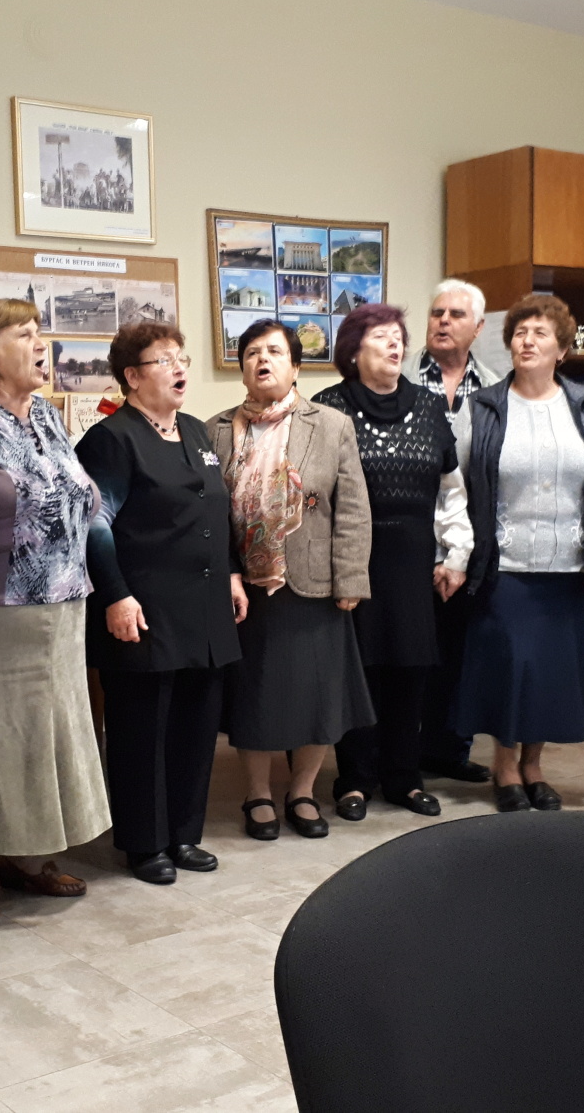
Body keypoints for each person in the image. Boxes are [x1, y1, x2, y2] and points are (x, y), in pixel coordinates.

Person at [0, 299, 111, 923]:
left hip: (63, 603)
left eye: (41, 333)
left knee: (45, 738)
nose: (42, 345)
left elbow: (83, 497)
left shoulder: (48, 416)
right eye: (25, 335)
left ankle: (26, 856)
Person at [75, 322, 244, 884]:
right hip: (143, 608)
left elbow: (216, 510)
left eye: (181, 358)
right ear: (132, 376)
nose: (179, 368)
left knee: (196, 725)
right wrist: (116, 595)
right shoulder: (111, 439)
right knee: (142, 730)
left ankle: (183, 834)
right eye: (163, 360)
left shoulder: (194, 431)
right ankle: (145, 844)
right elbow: (93, 525)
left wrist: (233, 574)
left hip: (204, 606)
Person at [452, 294, 584, 814]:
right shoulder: (483, 406)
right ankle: (505, 767)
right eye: (520, 333)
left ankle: (534, 766)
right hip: (503, 565)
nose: (527, 341)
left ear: (562, 350)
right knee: (512, 669)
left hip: (569, 566)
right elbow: (454, 484)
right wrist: (454, 553)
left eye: (540, 333)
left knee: (549, 674)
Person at [209, 319, 372, 840]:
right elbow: (209, 514)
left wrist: (351, 580)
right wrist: (226, 572)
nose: (263, 360)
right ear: (242, 370)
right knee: (255, 697)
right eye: (252, 353)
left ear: (296, 366)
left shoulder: (331, 425)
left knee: (318, 697)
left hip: (313, 584)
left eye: (275, 351)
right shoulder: (214, 430)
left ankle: (302, 791)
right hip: (245, 590)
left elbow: (353, 509)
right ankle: (257, 793)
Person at [314, 304, 471, 822]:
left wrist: (456, 554)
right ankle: (355, 779)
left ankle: (404, 778)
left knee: (410, 669)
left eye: (398, 336)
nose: (394, 344)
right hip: (351, 560)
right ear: (353, 351)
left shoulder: (428, 405)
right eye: (380, 336)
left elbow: (451, 490)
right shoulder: (327, 408)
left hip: (413, 563)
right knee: (357, 673)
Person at [409, 278, 499, 784]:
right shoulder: (398, 378)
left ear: (478, 327)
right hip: (404, 541)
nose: (443, 321)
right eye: (436, 312)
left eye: (456, 315)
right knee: (405, 656)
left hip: (470, 543)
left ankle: (447, 750)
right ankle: (395, 754)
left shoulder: (496, 389)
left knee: (457, 652)